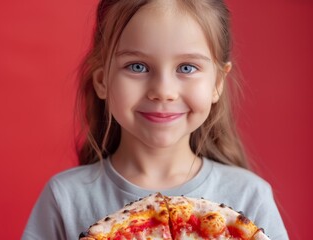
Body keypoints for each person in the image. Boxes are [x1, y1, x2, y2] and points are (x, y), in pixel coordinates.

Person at [22, 0, 289, 239]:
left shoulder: (250, 195)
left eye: (187, 68)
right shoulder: (65, 197)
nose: (163, 91)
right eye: (137, 66)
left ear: (217, 82)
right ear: (102, 80)